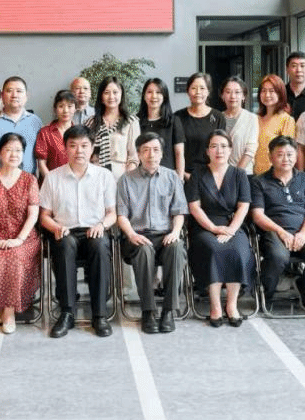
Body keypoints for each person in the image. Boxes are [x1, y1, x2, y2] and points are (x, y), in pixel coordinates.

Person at [40, 125, 118, 338]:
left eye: (84, 146)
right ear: (65, 148)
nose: (79, 151)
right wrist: (56, 227)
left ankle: (99, 315)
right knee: (65, 244)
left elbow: (112, 213)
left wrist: (102, 226)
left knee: (100, 245)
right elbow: (44, 215)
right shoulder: (53, 177)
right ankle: (67, 313)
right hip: (65, 231)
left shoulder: (104, 176)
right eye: (73, 146)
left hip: (95, 230)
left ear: (92, 148)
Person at [116, 132, 188, 334]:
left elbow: (179, 212)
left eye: (156, 150)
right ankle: (148, 311)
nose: (151, 155)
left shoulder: (172, 177)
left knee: (177, 248)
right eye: (146, 150)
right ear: (138, 154)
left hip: (165, 234)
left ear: (162, 153)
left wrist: (176, 232)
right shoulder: (126, 180)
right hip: (137, 236)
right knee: (144, 250)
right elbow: (121, 215)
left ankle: (168, 311)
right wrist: (131, 234)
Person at [252, 136, 305, 313]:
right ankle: (266, 293)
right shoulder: (259, 181)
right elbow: (257, 215)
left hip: (304, 231)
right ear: (270, 157)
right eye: (280, 154)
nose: (285, 159)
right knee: (278, 257)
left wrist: (303, 234)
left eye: (289, 154)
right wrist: (281, 232)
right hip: (273, 232)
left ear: (296, 156)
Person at [186, 129, 254, 327]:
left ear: (230, 150)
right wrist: (214, 228)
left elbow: (244, 206)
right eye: (214, 146)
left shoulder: (239, 174)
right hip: (204, 225)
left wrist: (231, 230)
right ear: (207, 151)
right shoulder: (198, 174)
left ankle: (231, 305)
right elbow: (194, 207)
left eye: (224, 146)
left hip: (233, 224)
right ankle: (215, 306)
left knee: (238, 250)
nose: (219, 150)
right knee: (213, 249)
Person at [0, 133, 41, 334]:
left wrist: (19, 239)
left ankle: (8, 312)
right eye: (9, 150)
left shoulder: (30, 180)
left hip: (24, 238)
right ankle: (0, 305)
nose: (14, 154)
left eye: (18, 150)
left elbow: (33, 214)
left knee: (15, 257)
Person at [0, 76, 43, 180]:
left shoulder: (36, 121)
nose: (14, 95)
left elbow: (41, 155)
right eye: (9, 91)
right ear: (2, 95)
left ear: (26, 95)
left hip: (28, 182)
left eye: (19, 91)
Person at [174, 72, 226, 180]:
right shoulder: (177, 117)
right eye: (194, 88)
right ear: (188, 91)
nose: (198, 92)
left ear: (208, 91)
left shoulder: (218, 117)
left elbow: (222, 150)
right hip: (182, 176)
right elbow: (174, 150)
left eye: (202, 88)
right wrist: (183, 174)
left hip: (211, 177)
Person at [88, 76, 140, 179]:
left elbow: (133, 158)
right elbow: (86, 155)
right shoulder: (91, 122)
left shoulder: (131, 122)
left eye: (115, 92)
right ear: (101, 97)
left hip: (121, 177)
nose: (111, 96)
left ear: (121, 94)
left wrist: (126, 179)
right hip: (95, 176)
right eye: (106, 93)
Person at [137, 78, 186, 179]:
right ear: (144, 96)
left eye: (158, 92)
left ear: (164, 96)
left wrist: (180, 180)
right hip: (141, 177)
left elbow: (179, 153)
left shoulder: (174, 121)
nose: (154, 96)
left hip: (167, 177)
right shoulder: (136, 121)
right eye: (149, 92)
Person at [254, 75, 296, 176]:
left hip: (274, 175)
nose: (267, 95)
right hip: (253, 174)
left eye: (272, 91)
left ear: (280, 94)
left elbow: (287, 152)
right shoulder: (255, 119)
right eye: (263, 91)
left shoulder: (286, 120)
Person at [34, 90, 76, 178]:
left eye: (69, 106)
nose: (65, 110)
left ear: (75, 108)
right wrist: (52, 182)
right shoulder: (45, 132)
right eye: (61, 106)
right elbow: (41, 163)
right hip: (50, 181)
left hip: (73, 181)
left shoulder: (79, 133)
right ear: (55, 109)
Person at [221, 76, 259, 172]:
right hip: (220, 173)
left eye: (237, 92)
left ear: (243, 96)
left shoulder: (251, 118)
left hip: (243, 173)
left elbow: (250, 150)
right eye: (228, 92)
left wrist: (236, 173)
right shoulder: (217, 117)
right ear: (222, 96)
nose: (233, 96)